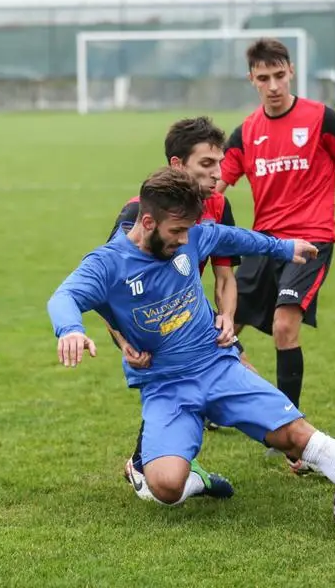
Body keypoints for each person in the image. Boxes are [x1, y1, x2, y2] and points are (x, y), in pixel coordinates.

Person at [47, 167, 335, 526]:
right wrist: (70, 330)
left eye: (187, 230)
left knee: (295, 435)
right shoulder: (107, 264)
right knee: (164, 485)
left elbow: (234, 237)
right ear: (148, 223)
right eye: (176, 230)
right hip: (165, 386)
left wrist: (283, 248)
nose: (183, 239)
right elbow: (64, 297)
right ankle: (200, 481)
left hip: (218, 366)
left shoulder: (191, 236)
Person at [216, 38, 335, 473]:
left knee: (285, 326)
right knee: (224, 324)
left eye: (279, 75)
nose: (273, 85)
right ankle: (214, 397)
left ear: (291, 71)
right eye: (263, 78)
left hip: (311, 241)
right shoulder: (245, 133)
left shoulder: (320, 119)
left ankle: (293, 438)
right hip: (264, 244)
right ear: (252, 80)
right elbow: (215, 188)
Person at [105, 117, 254, 500]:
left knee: (235, 374)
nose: (217, 174)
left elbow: (225, 277)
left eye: (219, 164)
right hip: (147, 323)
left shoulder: (218, 205)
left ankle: (156, 463)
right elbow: (109, 287)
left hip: (189, 316)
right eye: (206, 164)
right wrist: (123, 342)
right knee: (180, 385)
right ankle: (153, 466)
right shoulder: (139, 213)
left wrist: (227, 318)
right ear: (177, 165)